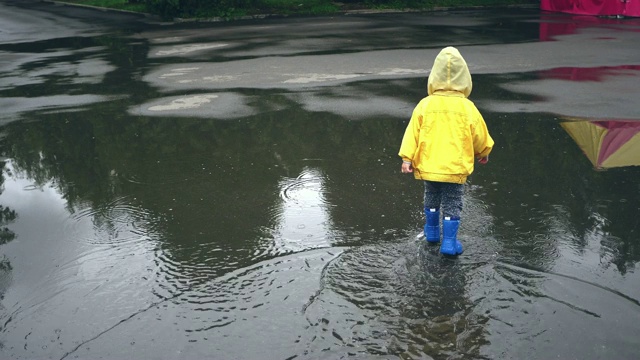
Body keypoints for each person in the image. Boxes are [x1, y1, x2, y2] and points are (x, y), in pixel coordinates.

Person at [398, 46, 494, 256]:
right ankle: (449, 243)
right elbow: (480, 135)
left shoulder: (425, 104)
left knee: (431, 196)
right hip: (454, 168)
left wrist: (407, 158)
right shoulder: (468, 107)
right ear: (465, 78)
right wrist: (483, 152)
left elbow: (412, 133)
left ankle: (432, 233)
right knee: (452, 202)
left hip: (430, 166)